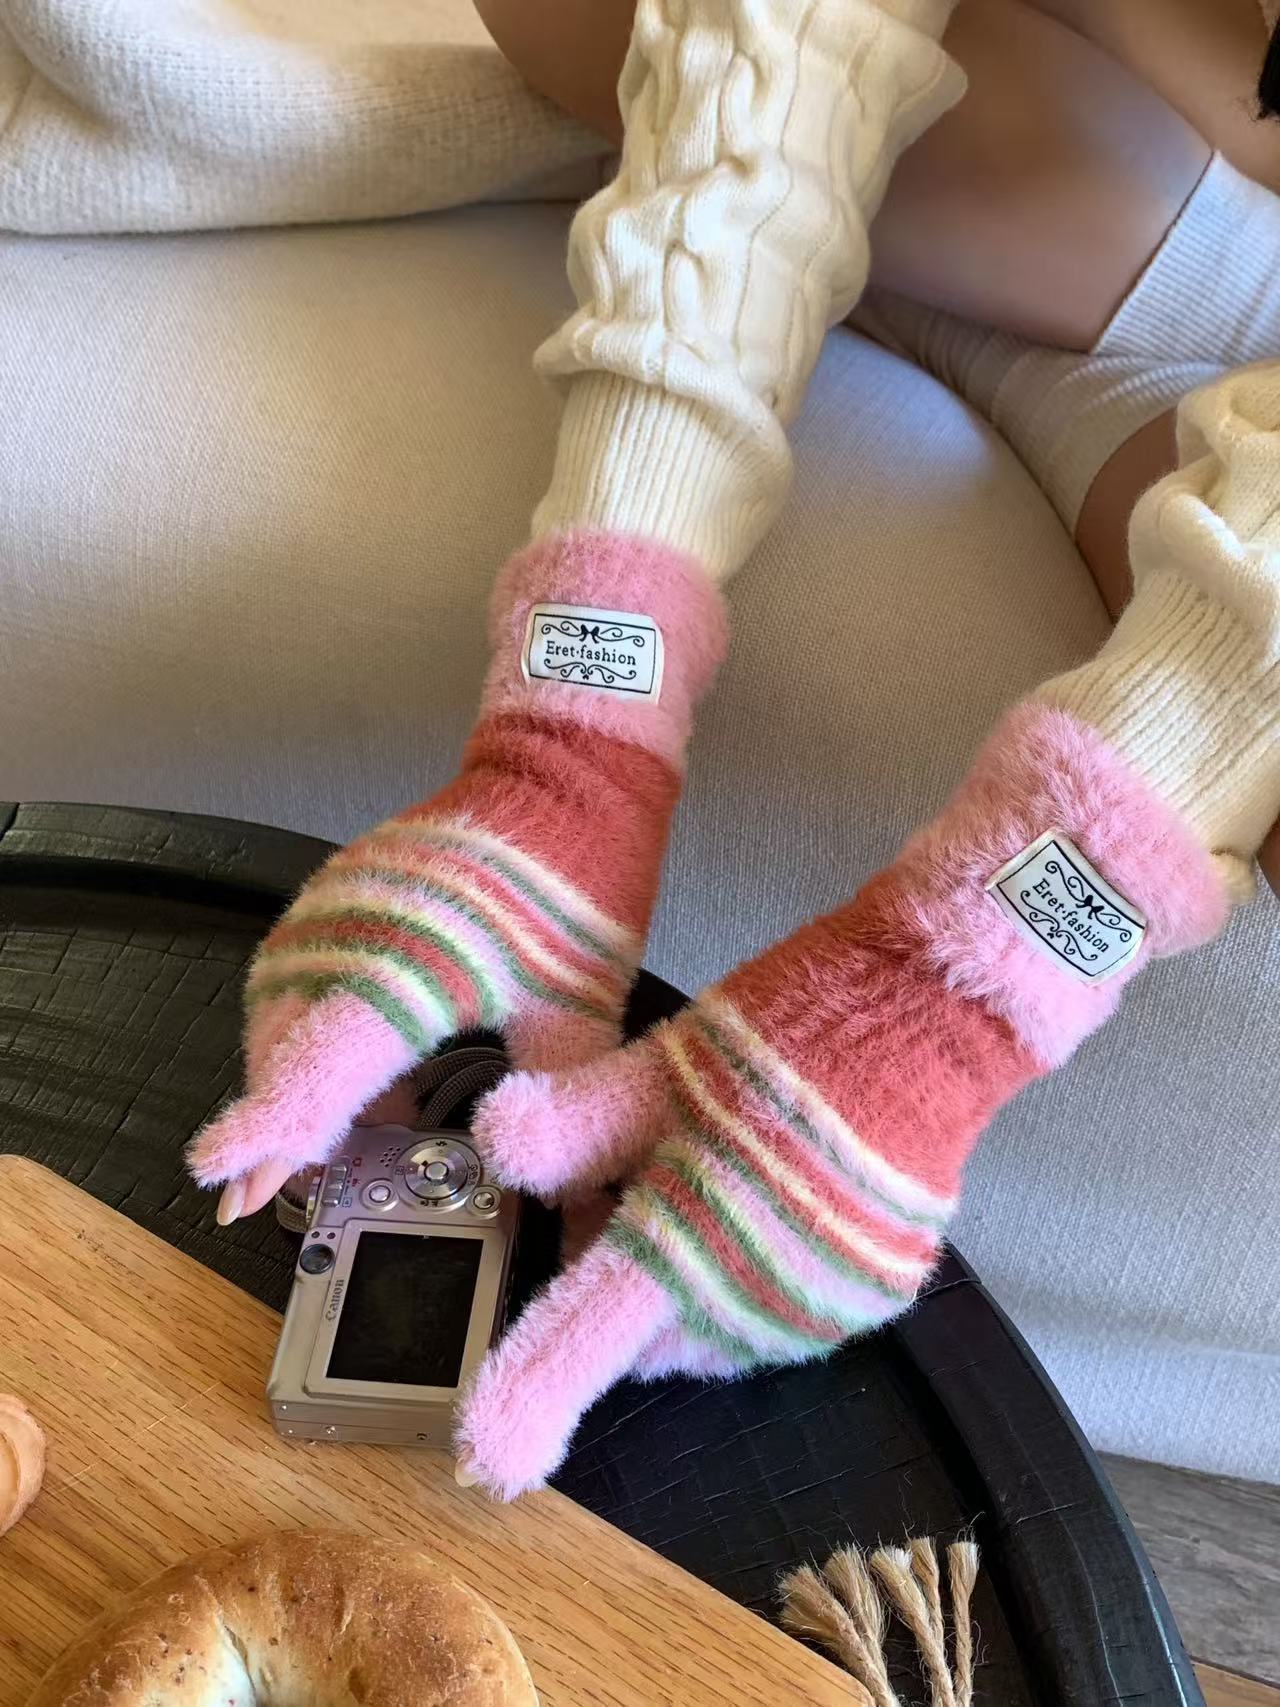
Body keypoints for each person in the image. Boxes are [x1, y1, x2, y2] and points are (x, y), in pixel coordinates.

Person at [188, 0, 1280, 1499]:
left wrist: (941, 999)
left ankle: (894, 271)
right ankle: (890, 255)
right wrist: (571, 747)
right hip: (1147, 184)